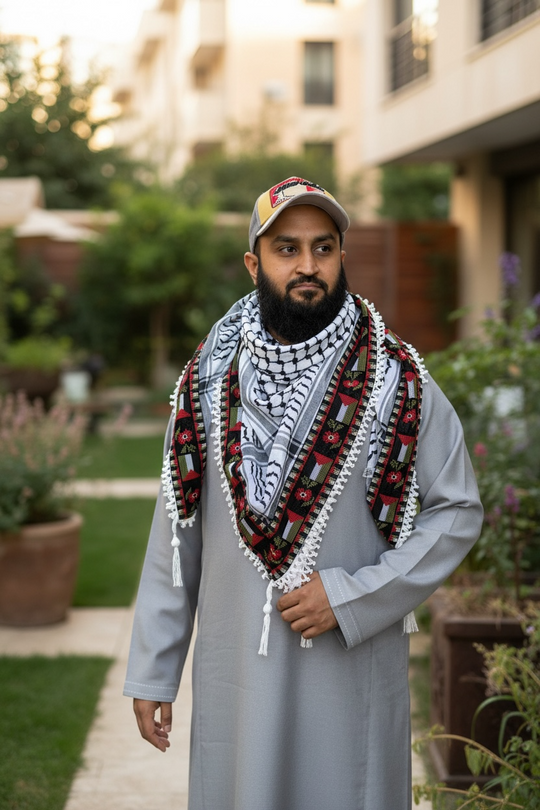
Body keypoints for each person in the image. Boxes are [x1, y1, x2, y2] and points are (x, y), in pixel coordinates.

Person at [124, 176, 483, 810]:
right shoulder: (207, 381)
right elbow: (176, 531)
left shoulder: (396, 378)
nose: (307, 266)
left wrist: (353, 596)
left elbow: (457, 512)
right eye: (286, 248)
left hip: (350, 676)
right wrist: (155, 667)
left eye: (323, 247)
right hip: (234, 680)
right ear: (253, 261)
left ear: (343, 255)